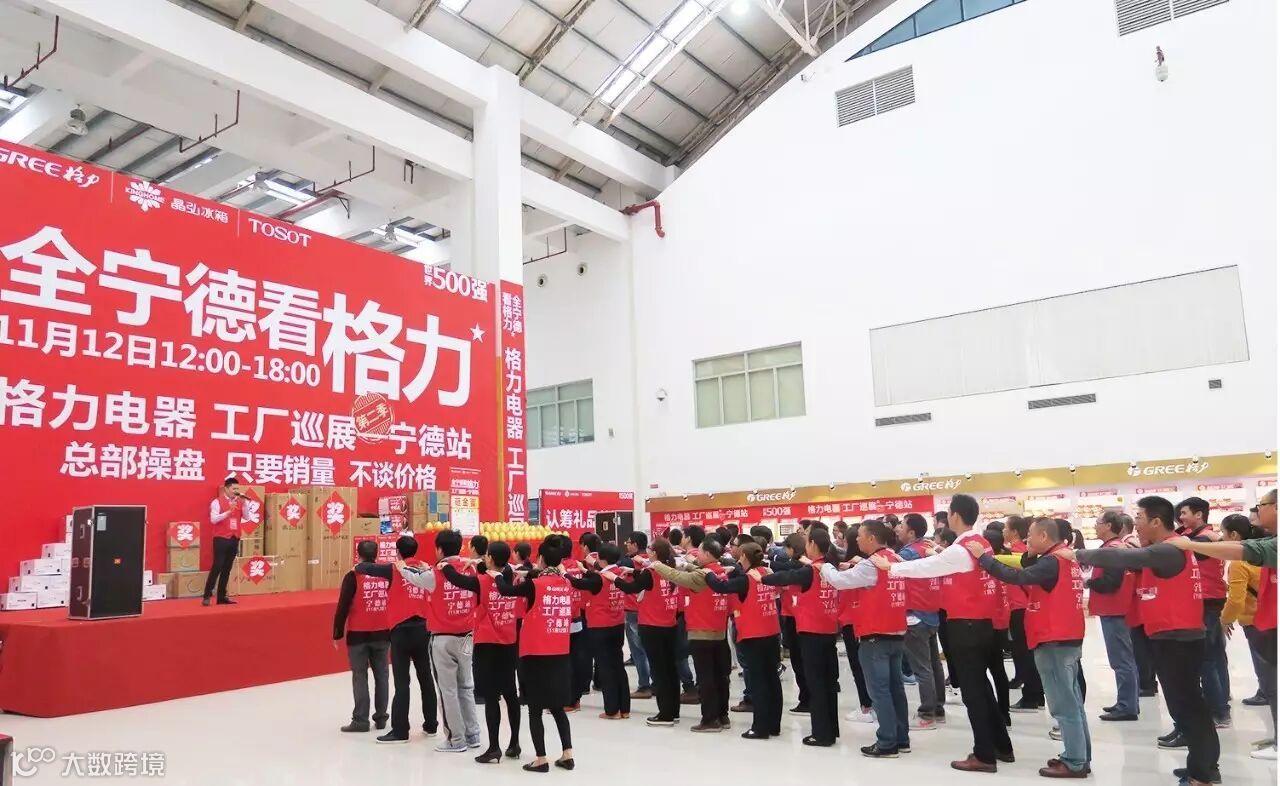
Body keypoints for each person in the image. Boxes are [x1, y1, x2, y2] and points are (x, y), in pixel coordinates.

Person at [1074, 497, 1221, 785]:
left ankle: (1202, 774)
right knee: (1187, 706)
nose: (1135, 524)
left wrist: (1077, 554)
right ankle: (1203, 765)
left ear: (1156, 521)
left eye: (1139, 517)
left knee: (1188, 707)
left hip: (1178, 638)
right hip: (1172, 636)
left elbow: (1123, 559)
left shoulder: (1168, 549)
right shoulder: (1169, 548)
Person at [877, 494, 1013, 773]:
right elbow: (942, 562)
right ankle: (1001, 745)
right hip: (982, 624)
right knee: (982, 689)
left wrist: (892, 567)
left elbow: (927, 568)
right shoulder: (979, 543)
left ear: (955, 515)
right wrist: (934, 554)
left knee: (973, 693)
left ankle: (984, 755)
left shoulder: (961, 549)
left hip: (966, 626)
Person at [971, 519, 1090, 778]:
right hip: (1067, 636)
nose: (1027, 541)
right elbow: (1026, 565)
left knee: (1063, 706)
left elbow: (1018, 576)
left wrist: (984, 559)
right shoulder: (1063, 559)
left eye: (1031, 536)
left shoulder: (1051, 562)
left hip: (1053, 639)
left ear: (1044, 536)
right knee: (1073, 703)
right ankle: (1080, 756)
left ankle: (1075, 761)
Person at [1169, 488, 1276, 761]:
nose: (1257, 511)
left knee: (1212, 661)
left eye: (1262, 505)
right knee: (1219, 660)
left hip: (1241, 616)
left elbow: (1239, 574)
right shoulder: (1263, 543)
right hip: (1254, 618)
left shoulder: (1211, 543)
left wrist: (1189, 545)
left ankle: (1220, 711)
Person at [822, 522, 911, 758]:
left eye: (860, 536)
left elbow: (839, 581)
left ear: (872, 538)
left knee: (880, 691)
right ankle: (901, 738)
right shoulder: (895, 559)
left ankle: (887, 742)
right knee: (895, 689)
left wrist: (826, 567)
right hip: (896, 632)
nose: (857, 540)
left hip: (875, 636)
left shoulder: (871, 564)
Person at [431, 541, 521, 763]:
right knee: (510, 694)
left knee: (491, 697)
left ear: (489, 558)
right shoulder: (511, 577)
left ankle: (494, 747)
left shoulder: (482, 582)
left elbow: (457, 580)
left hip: (487, 645)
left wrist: (445, 566)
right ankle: (514, 743)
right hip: (509, 642)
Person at [495, 538, 575, 772]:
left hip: (535, 652)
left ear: (540, 559)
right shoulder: (565, 583)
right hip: (560, 651)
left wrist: (496, 575)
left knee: (535, 708)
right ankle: (567, 754)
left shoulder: (535, 585)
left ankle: (541, 758)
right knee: (557, 707)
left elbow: (505, 590)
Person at [354, 535, 437, 744]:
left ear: (398, 552)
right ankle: (431, 724)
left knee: (402, 682)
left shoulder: (393, 569)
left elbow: (366, 568)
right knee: (426, 677)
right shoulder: (425, 569)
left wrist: (357, 566)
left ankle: (400, 730)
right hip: (423, 628)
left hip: (401, 630)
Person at [763, 528, 842, 747]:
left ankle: (821, 734)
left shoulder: (810, 571)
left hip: (811, 633)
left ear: (813, 544)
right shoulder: (829, 568)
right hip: (829, 631)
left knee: (816, 683)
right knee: (828, 683)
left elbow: (785, 576)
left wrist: (762, 577)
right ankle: (830, 730)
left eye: (807, 542)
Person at [652, 538, 733, 731]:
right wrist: (687, 564)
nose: (698, 555)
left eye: (700, 552)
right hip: (719, 632)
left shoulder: (702, 577)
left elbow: (677, 577)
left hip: (701, 633)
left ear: (707, 554)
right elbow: (697, 572)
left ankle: (710, 719)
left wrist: (656, 565)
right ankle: (722, 715)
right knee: (720, 677)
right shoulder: (720, 572)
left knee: (706, 679)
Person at [609, 538, 683, 726]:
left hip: (652, 626)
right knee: (670, 669)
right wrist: (633, 571)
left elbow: (630, 588)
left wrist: (614, 578)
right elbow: (645, 578)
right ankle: (673, 711)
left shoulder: (651, 573)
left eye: (650, 548)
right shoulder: (671, 569)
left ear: (655, 553)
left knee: (659, 671)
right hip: (670, 625)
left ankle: (665, 714)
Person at [420, 529, 482, 753]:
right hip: (466, 636)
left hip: (442, 639)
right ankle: (473, 734)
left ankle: (456, 739)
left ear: (439, 549)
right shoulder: (471, 569)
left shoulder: (434, 574)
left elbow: (412, 576)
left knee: (447, 690)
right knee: (466, 686)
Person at [1175, 496, 1231, 730]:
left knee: (1206, 659)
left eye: (1184, 513)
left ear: (1199, 515)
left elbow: (1180, 546)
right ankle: (1222, 705)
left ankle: (1219, 712)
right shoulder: (1209, 536)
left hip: (1206, 601)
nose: (1181, 518)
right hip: (1214, 599)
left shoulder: (1202, 539)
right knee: (1216, 657)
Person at [333, 540, 391, 733]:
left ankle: (360, 720)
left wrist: (337, 632)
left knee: (360, 676)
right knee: (382, 676)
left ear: (358, 554)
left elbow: (343, 605)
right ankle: (381, 718)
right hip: (382, 632)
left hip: (358, 635)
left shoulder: (353, 576)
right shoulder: (386, 574)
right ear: (377, 554)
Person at [1087, 511, 1140, 722]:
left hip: (1115, 610)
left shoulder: (1112, 551)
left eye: (1098, 522)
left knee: (1121, 660)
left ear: (1108, 525)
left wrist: (1088, 582)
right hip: (1116, 609)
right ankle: (1126, 701)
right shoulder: (1116, 548)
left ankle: (1127, 706)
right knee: (1123, 658)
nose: (1095, 526)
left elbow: (1110, 582)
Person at [895, 513, 946, 727]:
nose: (898, 529)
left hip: (915, 615)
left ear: (911, 532)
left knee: (922, 668)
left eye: (902, 526)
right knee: (933, 664)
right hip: (931, 613)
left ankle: (927, 713)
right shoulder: (927, 548)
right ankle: (938, 708)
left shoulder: (908, 553)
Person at [1218, 515, 1267, 708]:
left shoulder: (1240, 562)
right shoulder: (1264, 553)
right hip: (1269, 615)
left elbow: (1236, 600)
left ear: (1234, 535)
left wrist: (1225, 620)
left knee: (1262, 661)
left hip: (1254, 618)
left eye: (1223, 533)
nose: (1221, 538)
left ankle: (1266, 692)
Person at [584, 545, 631, 720]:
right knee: (618, 666)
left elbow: (579, 583)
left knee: (605, 668)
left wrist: (565, 573)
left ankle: (612, 710)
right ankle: (624, 708)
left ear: (601, 559)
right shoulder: (619, 572)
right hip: (617, 624)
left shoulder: (600, 578)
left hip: (600, 627)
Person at [1003, 516, 1043, 711]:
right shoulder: (1020, 551)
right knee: (1025, 652)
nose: (1003, 531)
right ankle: (1036, 695)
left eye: (1005, 527)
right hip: (1021, 606)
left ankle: (1031, 697)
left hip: (1020, 607)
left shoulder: (1019, 553)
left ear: (1014, 532)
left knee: (1025, 653)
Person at [773, 532, 811, 713]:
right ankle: (808, 697)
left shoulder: (794, 567)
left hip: (794, 616)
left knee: (799, 660)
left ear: (791, 548)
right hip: (803, 616)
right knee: (804, 660)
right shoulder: (806, 564)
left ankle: (806, 699)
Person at [621, 532, 653, 699]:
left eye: (628, 542)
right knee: (649, 649)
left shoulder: (630, 562)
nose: (626, 545)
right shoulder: (652, 561)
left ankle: (644, 685)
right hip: (648, 610)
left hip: (633, 609)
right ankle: (655, 683)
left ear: (634, 544)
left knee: (638, 651)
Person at [563, 535, 592, 711]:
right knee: (578, 657)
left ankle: (570, 699)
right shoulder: (578, 565)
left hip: (565, 619)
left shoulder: (560, 569)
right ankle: (577, 695)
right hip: (579, 615)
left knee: (567, 660)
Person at [203, 476, 243, 606]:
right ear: (226, 488)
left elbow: (247, 517)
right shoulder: (217, 502)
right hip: (221, 538)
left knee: (227, 568)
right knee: (217, 566)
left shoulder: (239, 502)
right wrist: (227, 512)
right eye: (234, 489)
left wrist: (246, 504)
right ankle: (207, 595)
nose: (236, 491)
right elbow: (213, 519)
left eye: (237, 489)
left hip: (234, 537)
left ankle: (221, 597)